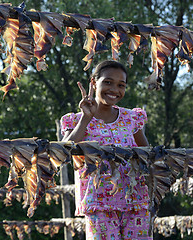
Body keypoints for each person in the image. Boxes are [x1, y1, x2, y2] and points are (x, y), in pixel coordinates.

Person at [60, 60, 151, 240]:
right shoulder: (75, 120)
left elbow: (145, 154)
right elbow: (64, 152)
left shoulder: (132, 118)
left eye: (121, 85)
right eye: (108, 82)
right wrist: (86, 118)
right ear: (94, 82)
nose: (114, 90)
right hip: (99, 202)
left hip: (135, 199)